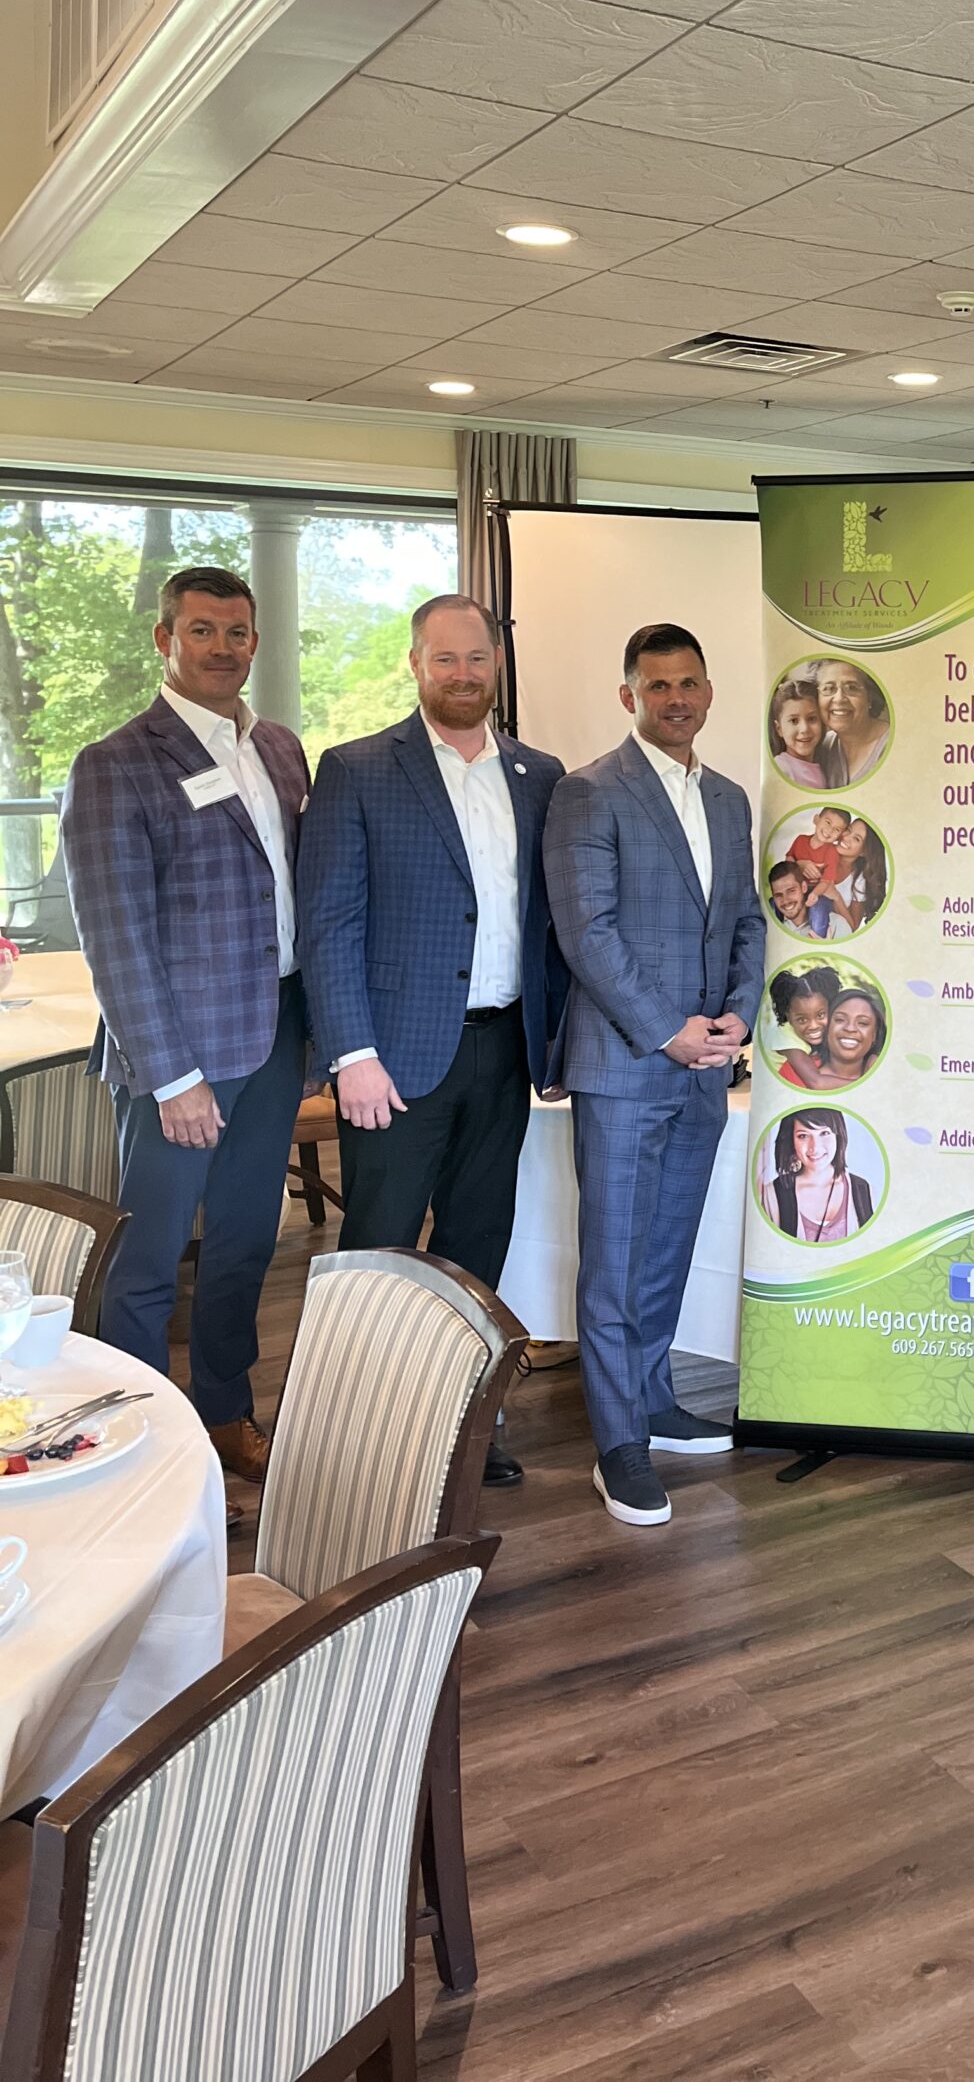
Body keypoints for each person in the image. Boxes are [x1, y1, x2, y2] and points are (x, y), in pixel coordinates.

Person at [296, 593, 567, 1487]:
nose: (461, 675)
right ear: (414, 665)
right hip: (394, 1061)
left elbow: (546, 923)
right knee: (376, 1245)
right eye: (443, 659)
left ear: (497, 664)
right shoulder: (358, 769)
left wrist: (556, 1040)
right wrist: (351, 1056)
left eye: (476, 659)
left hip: (506, 1048)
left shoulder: (540, 775)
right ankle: (353, 1434)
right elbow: (329, 926)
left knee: (478, 1238)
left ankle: (462, 1419)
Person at [60, 566, 310, 1491]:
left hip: (277, 1036)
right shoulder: (115, 762)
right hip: (182, 1057)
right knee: (151, 1257)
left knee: (248, 1242)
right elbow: (114, 937)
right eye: (202, 631)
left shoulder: (280, 749)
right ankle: (135, 1444)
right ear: (164, 640)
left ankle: (223, 1412)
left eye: (238, 632)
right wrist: (171, 1076)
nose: (222, 648)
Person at [545, 624, 762, 1529]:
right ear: (628, 695)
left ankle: (655, 1396)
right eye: (656, 685)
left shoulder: (728, 798)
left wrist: (740, 1016)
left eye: (689, 684)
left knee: (669, 1242)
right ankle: (618, 1441)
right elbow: (587, 934)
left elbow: (746, 919)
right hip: (628, 1063)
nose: (675, 699)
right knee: (616, 1257)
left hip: (707, 1067)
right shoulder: (588, 793)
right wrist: (669, 1032)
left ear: (709, 693)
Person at [768, 1108, 874, 1242]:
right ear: (792, 1141)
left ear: (838, 1135)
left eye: (824, 1133)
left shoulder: (862, 1189)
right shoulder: (772, 1194)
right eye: (803, 1136)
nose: (815, 1147)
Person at [779, 984, 886, 1090]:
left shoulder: (885, 1078)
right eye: (840, 1020)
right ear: (827, 1027)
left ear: (874, 1035)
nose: (850, 1028)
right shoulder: (793, 1072)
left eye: (862, 1023)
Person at [816, 660, 890, 787]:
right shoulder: (821, 746)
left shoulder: (894, 745)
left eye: (852, 688)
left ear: (870, 698)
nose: (839, 699)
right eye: (828, 689)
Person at [767, 966, 837, 1062]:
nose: (813, 1026)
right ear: (789, 1017)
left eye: (820, 1015)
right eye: (802, 1019)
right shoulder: (787, 1040)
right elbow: (814, 1077)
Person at [769, 678, 828, 788]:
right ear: (779, 729)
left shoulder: (825, 765)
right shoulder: (782, 768)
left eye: (811, 719)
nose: (804, 729)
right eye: (794, 721)